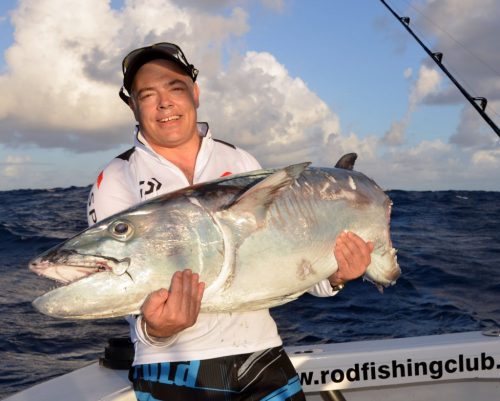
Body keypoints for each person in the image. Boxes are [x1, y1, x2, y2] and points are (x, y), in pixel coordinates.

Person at [87, 42, 374, 401]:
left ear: (195, 93)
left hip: (261, 354)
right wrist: (155, 331)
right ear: (133, 105)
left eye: (175, 88)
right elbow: (120, 286)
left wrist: (334, 277)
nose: (164, 103)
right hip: (172, 367)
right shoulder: (117, 176)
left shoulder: (240, 161)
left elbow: (283, 253)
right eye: (147, 95)